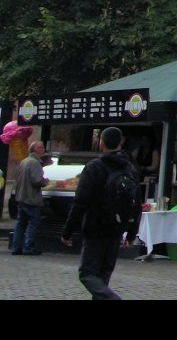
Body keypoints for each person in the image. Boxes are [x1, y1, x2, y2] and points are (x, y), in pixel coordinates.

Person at [60, 127, 141, 300]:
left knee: (87, 273)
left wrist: (68, 231)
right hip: (117, 228)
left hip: (95, 226)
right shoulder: (130, 168)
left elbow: (80, 202)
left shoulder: (94, 168)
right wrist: (131, 233)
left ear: (101, 143)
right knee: (103, 275)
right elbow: (136, 204)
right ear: (121, 142)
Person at [12, 140, 49, 255]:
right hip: (30, 197)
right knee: (33, 222)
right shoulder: (34, 162)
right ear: (36, 150)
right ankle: (28, 247)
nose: (43, 149)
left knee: (20, 223)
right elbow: (36, 180)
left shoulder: (25, 161)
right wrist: (45, 181)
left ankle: (16, 247)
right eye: (41, 147)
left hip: (21, 196)